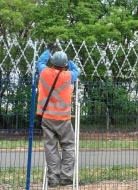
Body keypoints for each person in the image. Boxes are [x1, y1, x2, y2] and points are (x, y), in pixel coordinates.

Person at [36, 44, 80, 187]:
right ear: (64, 65)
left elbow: (40, 63)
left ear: (53, 63)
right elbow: (77, 70)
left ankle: (53, 178)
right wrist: (71, 60)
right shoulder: (69, 76)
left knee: (50, 147)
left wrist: (48, 50)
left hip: (47, 117)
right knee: (68, 146)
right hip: (63, 119)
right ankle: (66, 176)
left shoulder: (44, 72)